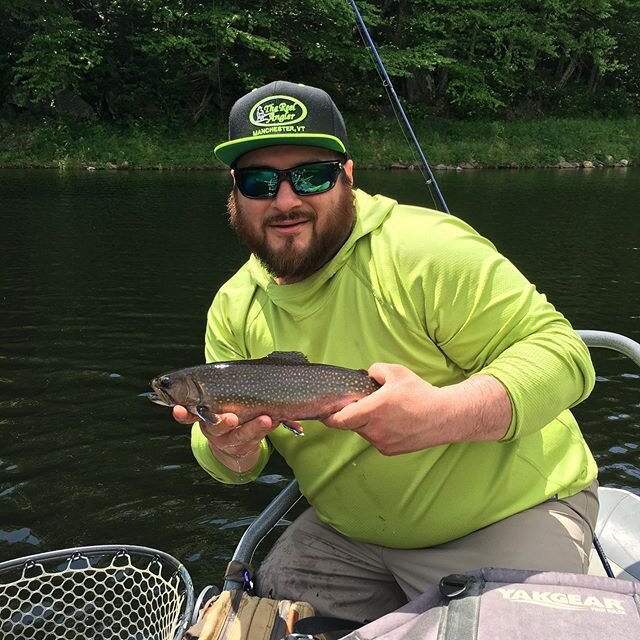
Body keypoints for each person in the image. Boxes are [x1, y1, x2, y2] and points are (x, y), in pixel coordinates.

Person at [173, 80, 599, 626]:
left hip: (511, 515)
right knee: (253, 625)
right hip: (349, 539)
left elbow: (563, 356)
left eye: (311, 175)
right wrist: (227, 448)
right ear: (235, 192)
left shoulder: (426, 251)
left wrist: (443, 416)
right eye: (260, 181)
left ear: (347, 177)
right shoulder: (235, 307)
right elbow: (234, 466)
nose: (285, 200)